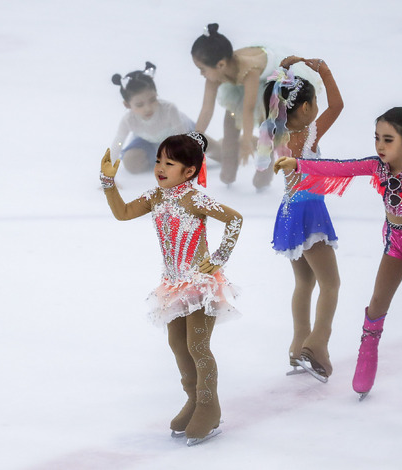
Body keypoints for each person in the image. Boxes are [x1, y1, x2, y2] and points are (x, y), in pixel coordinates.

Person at [273, 107, 402, 407]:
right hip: (396, 243)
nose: (380, 146)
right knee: (376, 305)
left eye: (388, 140)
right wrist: (300, 164)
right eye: (377, 139)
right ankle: (366, 362)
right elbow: (341, 168)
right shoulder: (377, 167)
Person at [99, 132, 243, 446]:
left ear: (189, 170)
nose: (160, 168)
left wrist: (219, 257)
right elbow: (122, 213)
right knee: (178, 345)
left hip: (200, 285)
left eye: (169, 163)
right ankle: (192, 399)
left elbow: (234, 219)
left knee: (198, 347)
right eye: (158, 161)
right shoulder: (155, 196)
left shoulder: (195, 197)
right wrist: (108, 183)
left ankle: (209, 407)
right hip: (173, 284)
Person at [256, 56, 343, 382]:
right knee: (331, 284)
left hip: (289, 209)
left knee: (304, 282)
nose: (319, 107)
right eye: (314, 102)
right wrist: (323, 68)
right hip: (309, 210)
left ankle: (297, 349)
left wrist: (284, 73)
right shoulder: (309, 134)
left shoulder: (273, 132)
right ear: (305, 107)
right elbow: (338, 105)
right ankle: (316, 347)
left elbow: (276, 100)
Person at [191, 24, 320, 190]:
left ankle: (263, 172)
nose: (201, 74)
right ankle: (229, 168)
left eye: (202, 69)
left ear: (221, 65)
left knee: (267, 124)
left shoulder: (249, 69)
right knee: (230, 119)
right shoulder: (214, 75)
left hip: (273, 81)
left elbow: (248, 109)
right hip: (241, 78)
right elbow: (206, 108)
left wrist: (246, 141)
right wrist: (195, 139)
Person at [110, 62, 218, 173]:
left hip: (181, 135)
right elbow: (117, 144)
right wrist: (108, 177)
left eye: (152, 100)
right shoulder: (128, 120)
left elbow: (182, 138)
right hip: (149, 141)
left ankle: (226, 147)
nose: (148, 108)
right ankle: (162, 157)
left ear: (156, 94)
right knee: (131, 162)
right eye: (139, 105)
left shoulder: (169, 110)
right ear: (127, 105)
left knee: (219, 152)